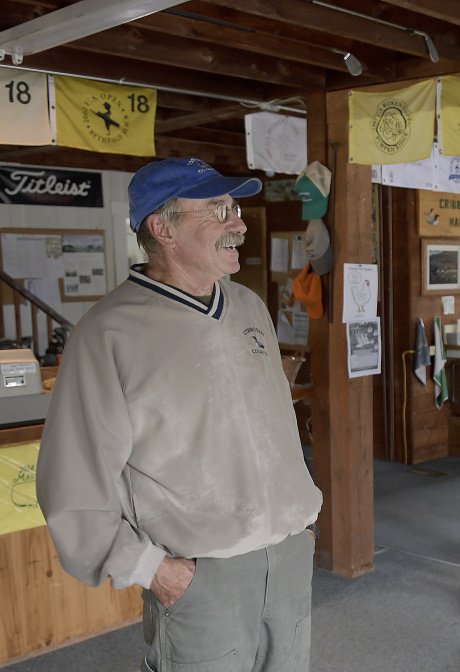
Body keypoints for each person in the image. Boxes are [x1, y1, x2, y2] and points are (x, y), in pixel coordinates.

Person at [37, 158, 323, 672]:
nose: (238, 223)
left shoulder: (249, 307)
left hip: (286, 561)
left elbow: (274, 433)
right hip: (201, 577)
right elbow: (71, 484)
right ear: (162, 228)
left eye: (234, 206)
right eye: (218, 210)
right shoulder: (107, 334)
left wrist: (299, 529)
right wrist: (152, 569)